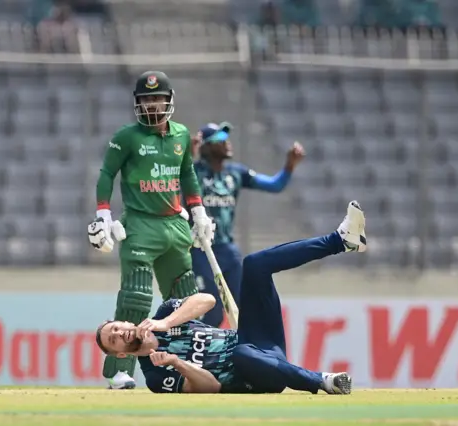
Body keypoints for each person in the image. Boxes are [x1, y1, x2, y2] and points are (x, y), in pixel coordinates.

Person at [95, 200, 367, 394]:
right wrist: (177, 362)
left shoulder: (165, 314)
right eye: (114, 339)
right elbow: (211, 386)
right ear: (119, 352)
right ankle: (321, 381)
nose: (120, 333)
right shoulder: (156, 376)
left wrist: (165, 324)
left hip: (257, 338)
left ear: (128, 323)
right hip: (255, 375)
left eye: (118, 327)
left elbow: (207, 301)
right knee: (240, 354)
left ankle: (341, 240)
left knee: (254, 265)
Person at [87, 70, 215, 390]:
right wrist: (103, 214)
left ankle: (194, 363)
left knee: (184, 300)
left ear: (169, 101)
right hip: (140, 224)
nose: (152, 105)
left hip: (174, 224)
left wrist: (198, 211)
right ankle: (120, 371)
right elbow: (106, 174)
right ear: (137, 103)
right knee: (136, 297)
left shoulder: (182, 135)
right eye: (146, 99)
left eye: (157, 98)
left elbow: (187, 175)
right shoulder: (127, 136)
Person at [189, 122, 306, 327]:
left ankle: (250, 355)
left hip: (228, 249)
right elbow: (173, 179)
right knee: (212, 312)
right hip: (200, 250)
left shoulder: (236, 173)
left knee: (246, 309)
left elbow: (275, 185)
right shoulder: (191, 172)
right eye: (219, 140)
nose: (226, 143)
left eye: (226, 138)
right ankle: (200, 357)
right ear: (206, 147)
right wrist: (187, 156)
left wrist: (289, 166)